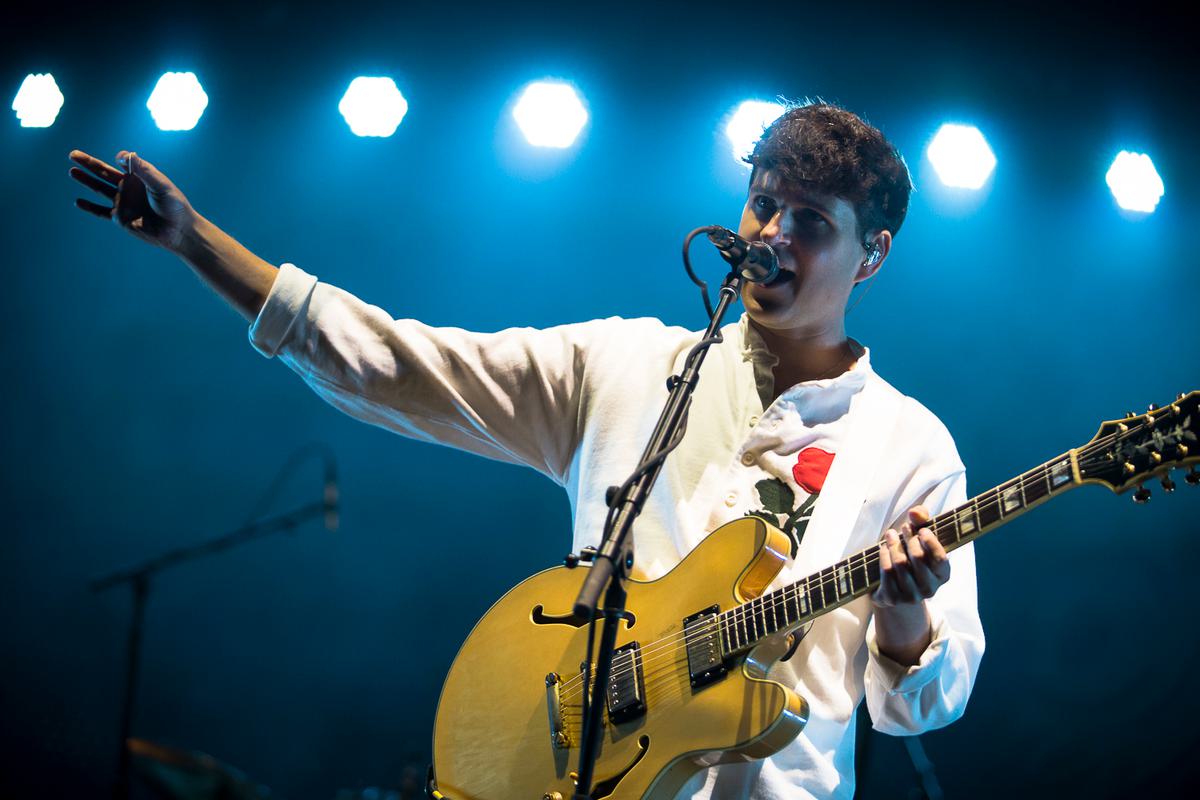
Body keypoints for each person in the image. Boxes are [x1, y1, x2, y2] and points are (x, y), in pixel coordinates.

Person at [69, 101, 984, 799]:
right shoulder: (628, 365)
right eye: (761, 204)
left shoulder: (908, 444)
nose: (772, 236)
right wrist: (199, 246)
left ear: (873, 255)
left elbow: (917, 707)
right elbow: (404, 366)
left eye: (812, 221)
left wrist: (906, 618)